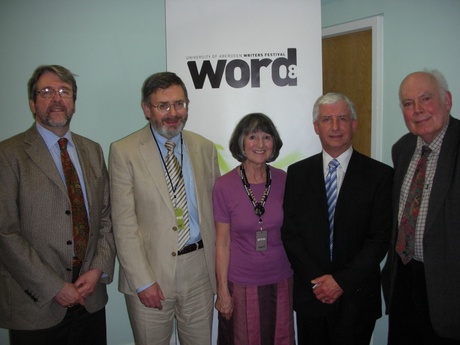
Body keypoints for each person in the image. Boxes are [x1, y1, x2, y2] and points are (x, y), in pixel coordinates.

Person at [0, 65, 116, 345]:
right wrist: (53, 287)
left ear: (74, 103)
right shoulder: (9, 154)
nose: (56, 99)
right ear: (32, 103)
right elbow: (5, 232)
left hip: (90, 297)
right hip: (36, 302)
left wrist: (97, 269)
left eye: (64, 92)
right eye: (47, 92)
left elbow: (106, 218)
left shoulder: (92, 150)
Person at [109, 71, 220, 345]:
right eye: (163, 106)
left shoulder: (204, 147)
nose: (173, 113)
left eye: (179, 104)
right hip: (151, 271)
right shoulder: (124, 151)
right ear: (147, 109)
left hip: (199, 271)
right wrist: (142, 280)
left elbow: (216, 213)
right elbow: (123, 224)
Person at [281, 92, 393, 345]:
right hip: (312, 296)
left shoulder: (380, 175)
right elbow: (291, 234)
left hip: (358, 296)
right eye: (327, 119)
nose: (335, 126)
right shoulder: (298, 173)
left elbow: (379, 239)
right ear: (315, 127)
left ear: (353, 124)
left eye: (342, 118)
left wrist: (340, 281)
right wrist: (319, 284)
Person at [382, 70, 460, 344]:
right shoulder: (402, 149)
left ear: (447, 100)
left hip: (449, 290)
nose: (417, 110)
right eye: (407, 103)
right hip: (403, 279)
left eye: (426, 99)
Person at [213, 113, 295, 345]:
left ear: (274, 143)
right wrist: (223, 292)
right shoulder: (224, 186)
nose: (260, 144)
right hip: (240, 283)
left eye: (266, 137)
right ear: (241, 142)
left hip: (281, 279)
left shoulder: (284, 180)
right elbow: (222, 242)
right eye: (252, 137)